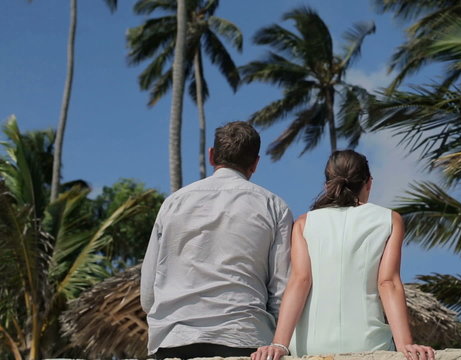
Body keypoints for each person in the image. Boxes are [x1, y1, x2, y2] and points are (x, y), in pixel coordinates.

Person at [251, 150, 436, 360]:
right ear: (368, 183)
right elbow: (388, 283)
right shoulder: (389, 220)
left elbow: (300, 281)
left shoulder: (304, 223)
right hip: (368, 344)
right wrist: (406, 345)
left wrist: (279, 344)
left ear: (327, 185)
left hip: (311, 346)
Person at [141, 121, 293, 359]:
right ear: (255, 163)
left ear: (212, 156)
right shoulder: (274, 206)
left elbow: (148, 293)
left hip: (173, 340)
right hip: (244, 339)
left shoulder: (173, 203)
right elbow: (281, 291)